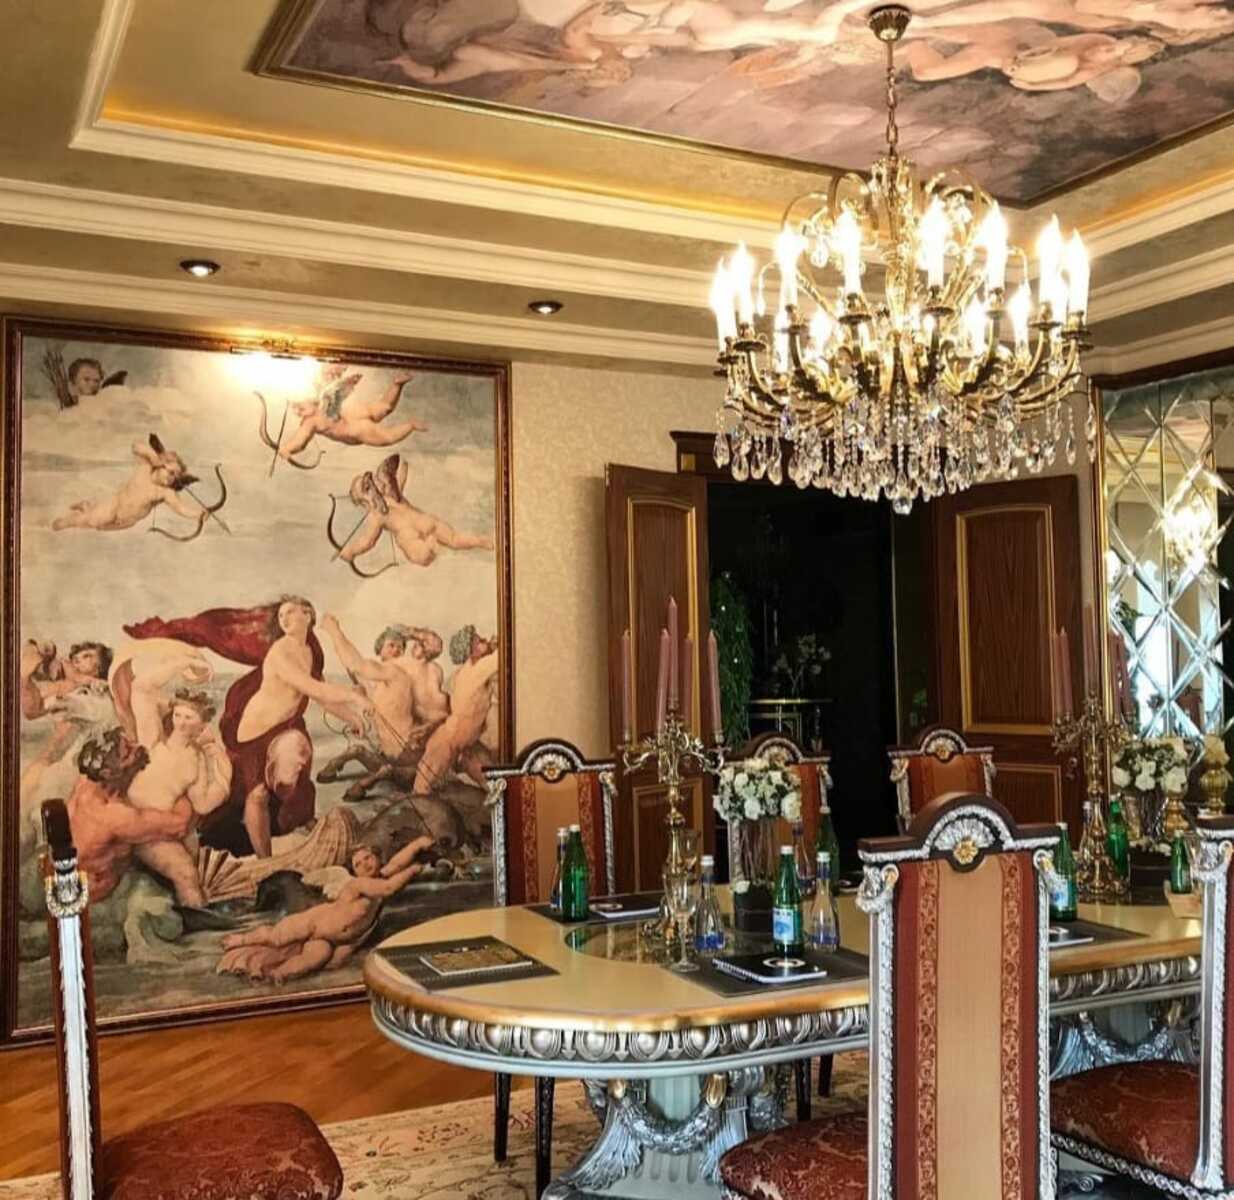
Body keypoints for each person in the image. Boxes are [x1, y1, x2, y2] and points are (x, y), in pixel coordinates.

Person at [124, 598, 373, 858]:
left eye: (290, 612)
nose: (284, 619)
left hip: (283, 727)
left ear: (308, 615)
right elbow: (311, 687)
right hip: (251, 735)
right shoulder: (280, 651)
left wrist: (350, 717)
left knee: (295, 763)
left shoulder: (311, 650)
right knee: (257, 795)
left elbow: (320, 694)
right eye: (281, 616)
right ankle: (265, 859)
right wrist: (354, 697)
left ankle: (298, 821)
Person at [216, 835, 436, 982]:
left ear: (377, 858)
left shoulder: (381, 876)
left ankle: (276, 974)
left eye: (368, 858)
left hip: (330, 939)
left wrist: (417, 845)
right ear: (354, 872)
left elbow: (396, 863)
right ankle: (241, 940)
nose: (365, 864)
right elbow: (389, 888)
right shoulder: (359, 885)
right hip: (313, 922)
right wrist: (415, 868)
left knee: (312, 960)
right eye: (358, 864)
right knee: (276, 937)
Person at [120, 644, 233, 907]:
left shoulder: (197, 760)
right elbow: (141, 688)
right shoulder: (153, 739)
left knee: (188, 868)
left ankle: (195, 921)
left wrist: (220, 760)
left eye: (189, 718)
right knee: (186, 871)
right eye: (178, 715)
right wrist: (183, 664)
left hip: (160, 831)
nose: (181, 723)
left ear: (202, 724)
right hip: (132, 820)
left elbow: (204, 803)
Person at [63, 727, 195, 903]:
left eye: (129, 743)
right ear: (108, 772)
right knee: (184, 871)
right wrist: (180, 786)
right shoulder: (115, 816)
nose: (136, 747)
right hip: (98, 893)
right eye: (128, 753)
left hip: (82, 870)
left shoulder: (88, 781)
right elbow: (180, 824)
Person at [315, 617, 426, 802]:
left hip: (407, 758)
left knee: (391, 770)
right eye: (391, 645)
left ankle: (371, 781)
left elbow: (356, 664)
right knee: (357, 750)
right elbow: (353, 669)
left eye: (400, 647)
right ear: (380, 649)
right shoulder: (379, 684)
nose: (397, 650)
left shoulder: (397, 674)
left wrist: (334, 631)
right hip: (387, 755)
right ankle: (345, 767)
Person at [338, 454, 494, 571]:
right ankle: (479, 541)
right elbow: (400, 480)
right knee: (452, 540)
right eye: (367, 487)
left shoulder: (380, 510)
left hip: (411, 532)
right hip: (422, 523)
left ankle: (439, 544)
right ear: (364, 501)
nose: (372, 486)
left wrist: (350, 552)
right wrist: (404, 467)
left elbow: (367, 542)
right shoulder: (387, 501)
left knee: (426, 553)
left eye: (369, 483)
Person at [51, 434, 211, 534]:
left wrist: (199, 514)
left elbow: (180, 508)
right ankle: (68, 521)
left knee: (95, 527)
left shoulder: (166, 492)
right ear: (162, 465)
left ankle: (86, 506)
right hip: (115, 506)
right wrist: (154, 456)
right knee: (95, 520)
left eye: (176, 477)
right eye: (171, 472)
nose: (172, 479)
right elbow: (136, 446)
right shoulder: (146, 467)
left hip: (127, 522)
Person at [413, 624, 498, 804]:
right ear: (471, 651)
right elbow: (504, 655)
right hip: (448, 742)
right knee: (421, 791)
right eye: (478, 640)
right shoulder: (479, 668)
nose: (483, 639)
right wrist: (496, 646)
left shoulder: (464, 671)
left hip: (464, 744)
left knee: (495, 786)